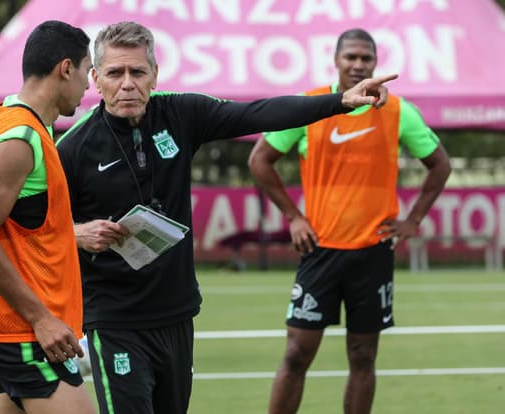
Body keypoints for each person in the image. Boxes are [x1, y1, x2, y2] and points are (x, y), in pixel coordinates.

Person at [56, 21, 397, 414]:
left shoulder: (181, 114)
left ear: (155, 75)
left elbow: (258, 113)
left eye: (138, 72)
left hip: (176, 313)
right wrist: (78, 233)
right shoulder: (73, 149)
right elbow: (35, 229)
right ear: (96, 78)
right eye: (115, 73)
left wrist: (339, 101)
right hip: (113, 320)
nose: (128, 83)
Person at [248, 28, 452, 414]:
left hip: (373, 253)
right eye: (351, 57)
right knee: (296, 354)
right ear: (337, 60)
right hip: (320, 250)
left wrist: (413, 220)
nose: (358, 65)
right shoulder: (311, 105)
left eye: (366, 58)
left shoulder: (398, 111)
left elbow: (440, 165)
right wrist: (293, 216)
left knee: (363, 357)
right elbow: (259, 160)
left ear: (375, 63)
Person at [0, 20, 96, 414]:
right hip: (22, 331)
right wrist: (42, 319)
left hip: (6, 329)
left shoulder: (17, 123)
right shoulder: (21, 136)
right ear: (65, 68)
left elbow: (20, 225)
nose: (89, 84)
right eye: (87, 70)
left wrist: (74, 236)